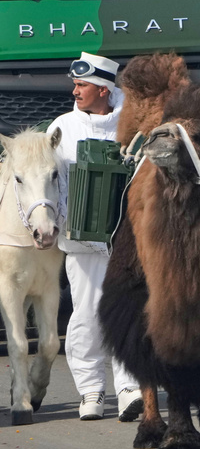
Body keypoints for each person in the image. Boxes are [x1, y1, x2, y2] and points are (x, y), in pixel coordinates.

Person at [47, 53, 143, 422]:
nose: (75, 91)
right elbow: (46, 179)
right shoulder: (62, 127)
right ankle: (91, 390)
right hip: (81, 240)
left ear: (103, 90)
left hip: (127, 240)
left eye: (82, 85)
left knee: (129, 312)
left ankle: (129, 387)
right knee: (86, 314)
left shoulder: (132, 124)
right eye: (75, 84)